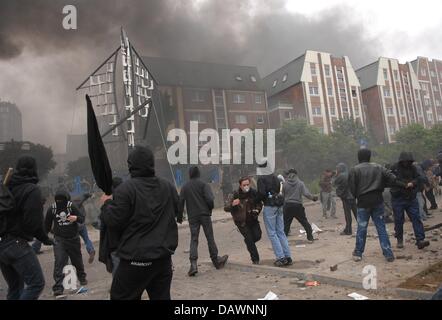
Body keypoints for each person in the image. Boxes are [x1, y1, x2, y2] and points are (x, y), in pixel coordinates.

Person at [101, 146, 179, 300]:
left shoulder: (126, 189)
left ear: (131, 165)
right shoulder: (168, 186)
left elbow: (113, 220)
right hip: (162, 260)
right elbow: (177, 210)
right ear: (152, 163)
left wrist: (106, 204)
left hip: (135, 261)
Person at [0, 156, 54, 300]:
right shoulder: (31, 190)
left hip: (2, 244)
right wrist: (45, 238)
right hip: (16, 243)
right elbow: (33, 222)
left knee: (15, 287)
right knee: (36, 283)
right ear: (34, 169)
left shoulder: (6, 186)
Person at [348, 149, 407, 262]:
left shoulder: (354, 170)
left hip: (363, 202)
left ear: (359, 157)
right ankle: (388, 254)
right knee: (381, 228)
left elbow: (352, 188)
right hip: (377, 200)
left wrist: (357, 196)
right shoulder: (378, 167)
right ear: (369, 157)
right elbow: (392, 178)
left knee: (362, 228)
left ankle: (358, 253)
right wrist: (383, 185)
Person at [179, 166, 228, 277]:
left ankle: (193, 265)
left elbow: (180, 202)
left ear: (189, 174)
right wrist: (209, 210)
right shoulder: (204, 184)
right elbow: (210, 199)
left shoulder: (185, 187)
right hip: (205, 215)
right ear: (199, 174)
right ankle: (216, 261)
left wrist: (179, 217)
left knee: (194, 239)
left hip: (192, 217)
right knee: (210, 237)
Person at [45, 189, 87, 296]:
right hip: (59, 240)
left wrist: (75, 217)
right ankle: (58, 288)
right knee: (59, 262)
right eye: (58, 200)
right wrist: (46, 237)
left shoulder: (71, 206)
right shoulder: (52, 208)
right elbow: (46, 225)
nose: (60, 202)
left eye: (62, 200)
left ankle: (82, 277)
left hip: (73, 238)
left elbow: (82, 219)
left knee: (77, 260)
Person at [390, 152, 430, 250]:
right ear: (401, 160)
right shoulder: (394, 168)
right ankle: (399, 239)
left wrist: (413, 183)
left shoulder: (413, 168)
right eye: (404, 161)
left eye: (408, 161)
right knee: (399, 220)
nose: (406, 163)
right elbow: (392, 180)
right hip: (398, 197)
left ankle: (420, 240)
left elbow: (418, 178)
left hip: (411, 197)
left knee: (416, 218)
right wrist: (404, 185)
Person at [257, 162, 292, 267]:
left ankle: (280, 258)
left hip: (269, 206)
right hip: (279, 205)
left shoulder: (261, 179)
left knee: (272, 233)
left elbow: (262, 194)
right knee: (281, 231)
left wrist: (256, 200)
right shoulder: (276, 178)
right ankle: (288, 256)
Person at [224, 177, 263, 264]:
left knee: (257, 236)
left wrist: (257, 210)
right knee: (249, 238)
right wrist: (232, 204)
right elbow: (226, 207)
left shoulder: (253, 192)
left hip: (253, 219)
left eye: (247, 184)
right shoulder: (235, 194)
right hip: (241, 222)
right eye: (244, 185)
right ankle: (255, 259)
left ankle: (248, 242)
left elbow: (259, 203)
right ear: (240, 186)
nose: (246, 186)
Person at [281, 169, 318, 241]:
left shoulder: (285, 184)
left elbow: (283, 196)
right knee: (304, 222)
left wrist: (282, 206)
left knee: (286, 224)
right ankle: (310, 237)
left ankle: (283, 241)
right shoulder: (300, 183)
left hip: (288, 206)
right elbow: (306, 194)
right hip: (298, 206)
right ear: (296, 175)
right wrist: (313, 198)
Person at [98, 177, 123, 276]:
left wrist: (106, 203)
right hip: (129, 243)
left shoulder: (112, 203)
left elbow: (104, 222)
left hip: (115, 244)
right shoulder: (129, 195)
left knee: (118, 273)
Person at [333, 163, 358, 235]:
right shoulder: (350, 174)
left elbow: (334, 183)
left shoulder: (341, 175)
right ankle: (362, 228)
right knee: (356, 213)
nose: (336, 170)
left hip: (346, 197)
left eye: (337, 168)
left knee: (348, 215)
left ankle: (348, 230)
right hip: (353, 196)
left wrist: (336, 175)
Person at [71, 193, 95, 264]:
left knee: (75, 242)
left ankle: (77, 258)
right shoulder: (77, 201)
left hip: (74, 225)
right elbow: (85, 195)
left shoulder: (65, 206)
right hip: (81, 223)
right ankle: (91, 250)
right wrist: (91, 195)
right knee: (86, 239)